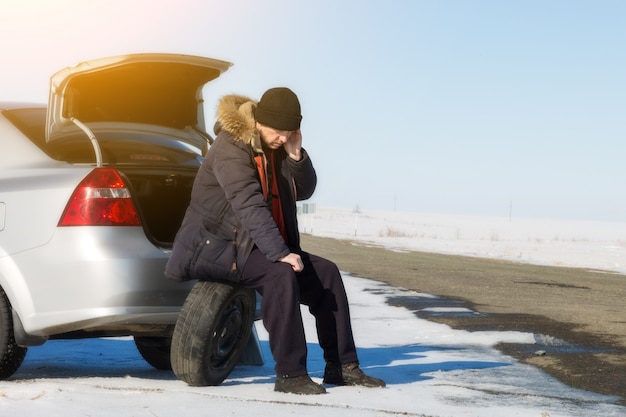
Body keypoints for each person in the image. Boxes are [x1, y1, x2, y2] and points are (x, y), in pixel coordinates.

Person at [166, 87, 385, 395]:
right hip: (217, 246)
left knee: (327, 274)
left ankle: (342, 366)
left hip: (252, 245)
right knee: (280, 274)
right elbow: (247, 203)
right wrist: (280, 252)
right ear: (260, 122)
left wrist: (296, 154)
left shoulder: (277, 147)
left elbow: (303, 190)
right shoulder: (230, 146)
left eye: (289, 133)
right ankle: (290, 374)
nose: (283, 139)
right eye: (279, 133)